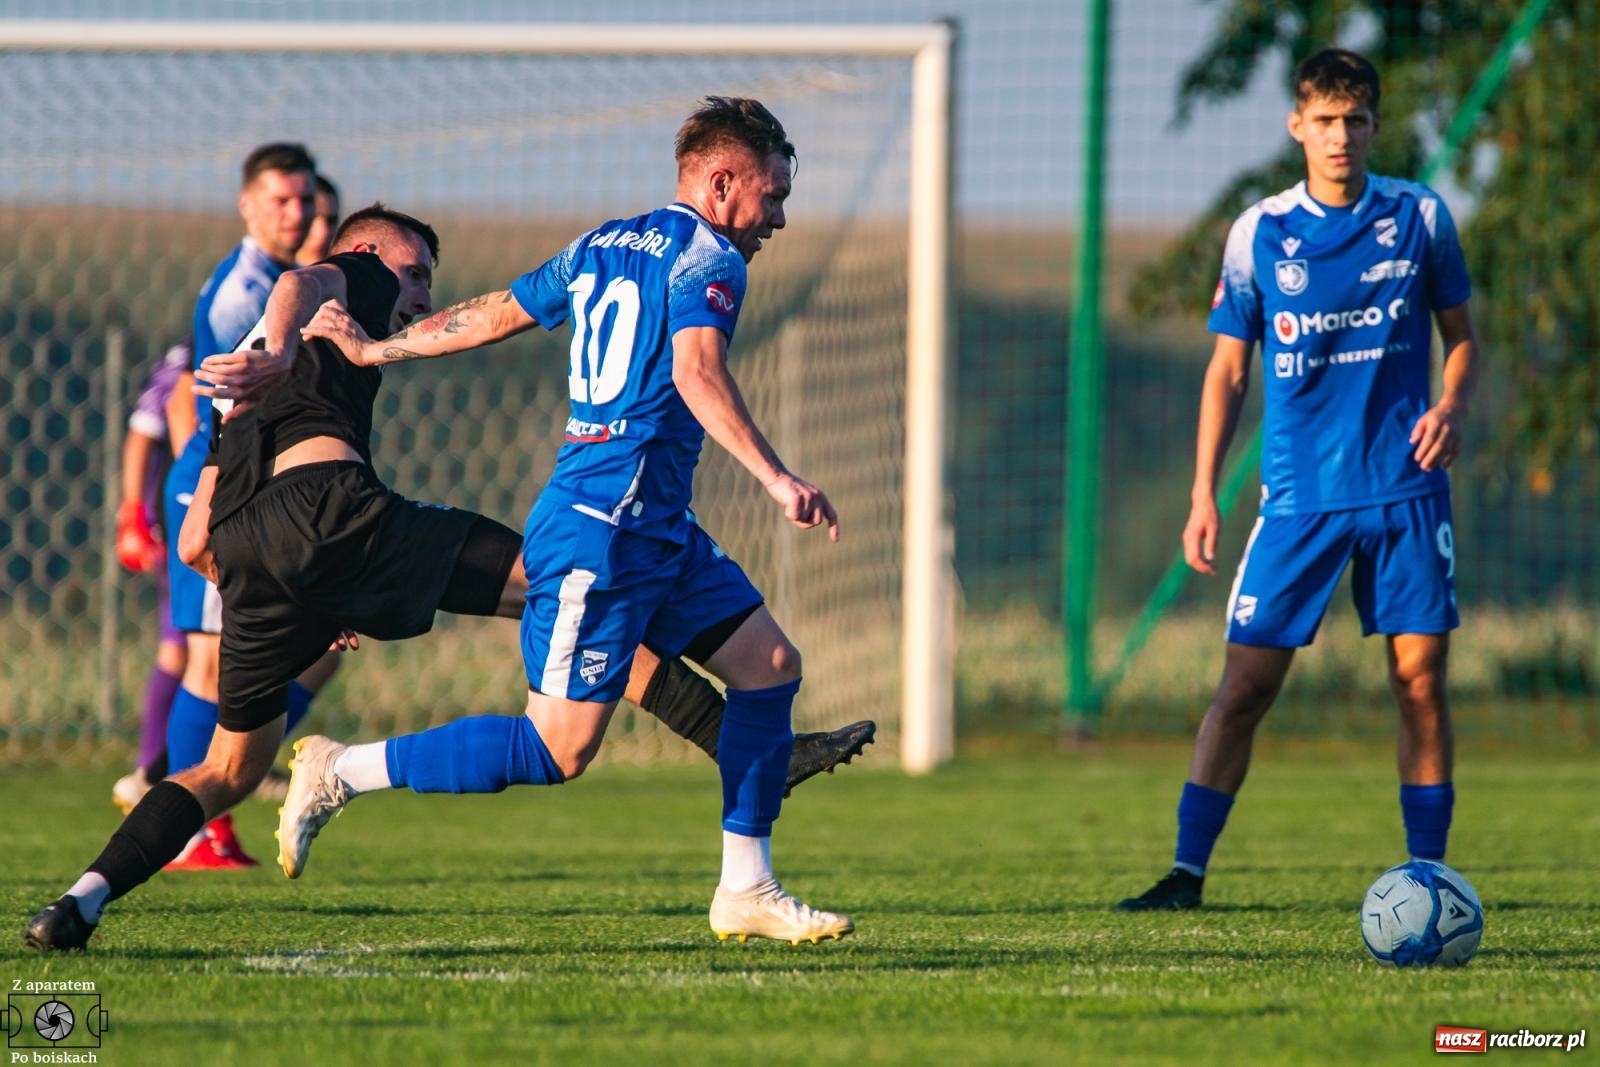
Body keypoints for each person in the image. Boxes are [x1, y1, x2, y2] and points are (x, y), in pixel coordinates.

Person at [23, 202, 871, 952]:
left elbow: (195, 540)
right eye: (418, 272)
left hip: (249, 556)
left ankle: (81, 898)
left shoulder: (228, 390)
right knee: (568, 575)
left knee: (228, 768)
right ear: (371, 253)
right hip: (334, 511)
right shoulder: (350, 276)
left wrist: (319, 588)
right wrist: (286, 347)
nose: (423, 293)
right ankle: (734, 745)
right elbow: (299, 281)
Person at [275, 96, 854, 945]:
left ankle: (748, 887)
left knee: (769, 665)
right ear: (721, 182)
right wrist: (776, 477)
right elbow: (696, 374)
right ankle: (341, 768)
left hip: (656, 525)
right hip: (602, 529)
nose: (778, 218)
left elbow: (493, 312)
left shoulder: (602, 244)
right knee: (558, 750)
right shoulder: (710, 259)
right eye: (772, 195)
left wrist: (377, 348)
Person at [1115, 48, 1479, 911]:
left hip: (1404, 489)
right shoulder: (1261, 233)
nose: (1340, 136)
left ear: (1376, 126)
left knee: (1420, 682)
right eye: (1324, 120)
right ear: (1297, 126)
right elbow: (1227, 371)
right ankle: (1185, 874)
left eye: (1355, 120)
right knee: (1245, 686)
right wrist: (1203, 493)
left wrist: (1452, 405)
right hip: (1299, 499)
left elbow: (1462, 338)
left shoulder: (1420, 216)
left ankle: (1429, 880)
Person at [158, 142, 336, 869]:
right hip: (218, 489)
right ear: (247, 205)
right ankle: (183, 825)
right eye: (280, 200)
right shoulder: (245, 293)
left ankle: (213, 793)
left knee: (303, 645)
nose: (296, 213)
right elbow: (220, 403)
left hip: (246, 488)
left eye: (304, 200)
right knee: (208, 664)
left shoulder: (279, 283)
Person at [110, 343, 193, 813]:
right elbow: (142, 433)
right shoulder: (190, 357)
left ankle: (155, 772)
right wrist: (133, 514)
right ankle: (153, 773)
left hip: (193, 515)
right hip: (186, 517)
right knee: (186, 649)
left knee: (189, 650)